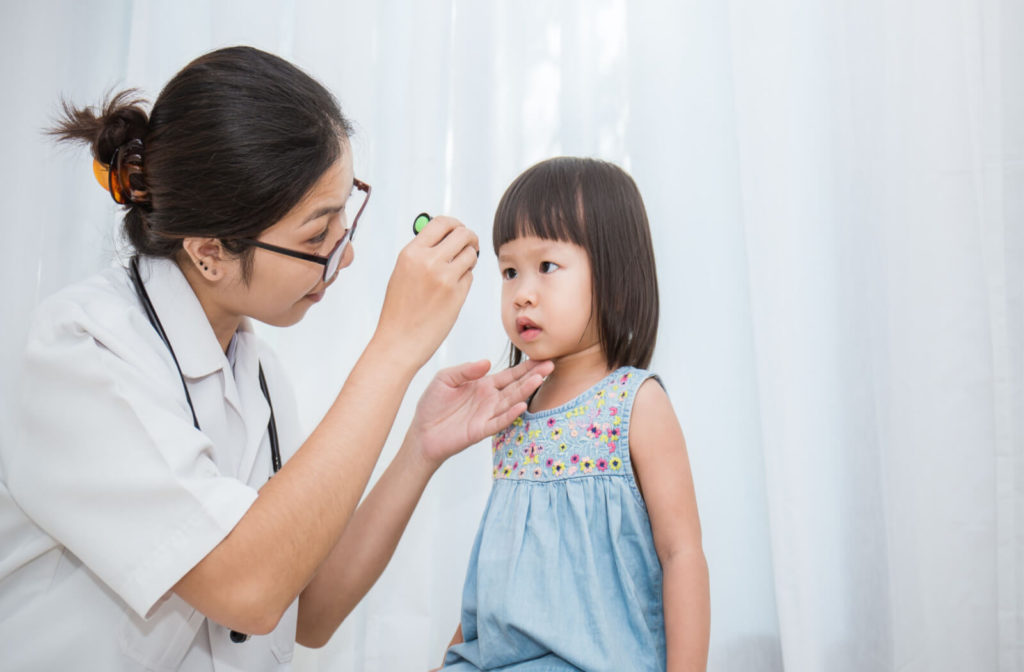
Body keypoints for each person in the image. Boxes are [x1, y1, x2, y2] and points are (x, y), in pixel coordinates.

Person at [0, 46, 552, 670]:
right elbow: (249, 590)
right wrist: (394, 349)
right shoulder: (83, 352)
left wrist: (419, 447)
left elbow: (308, 609)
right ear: (209, 251)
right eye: (317, 235)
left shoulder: (258, 378)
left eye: (347, 212)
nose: (343, 256)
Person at [439, 157, 710, 671]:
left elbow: (682, 555)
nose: (522, 292)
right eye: (509, 271)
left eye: (547, 267)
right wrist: (454, 653)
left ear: (613, 276)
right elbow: (498, 564)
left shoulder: (636, 402)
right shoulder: (514, 408)